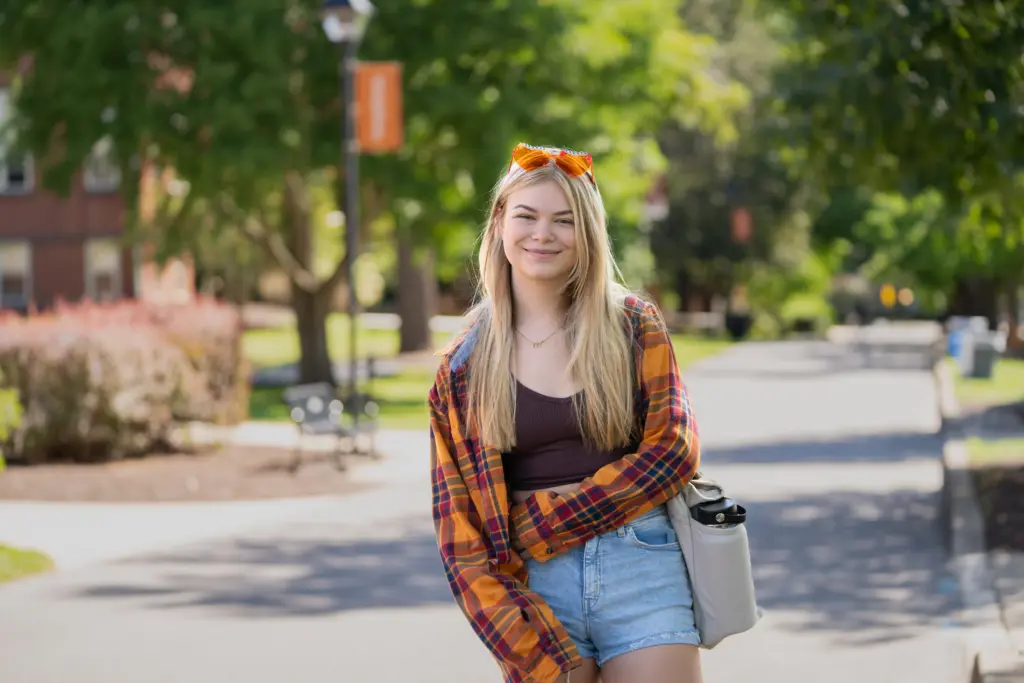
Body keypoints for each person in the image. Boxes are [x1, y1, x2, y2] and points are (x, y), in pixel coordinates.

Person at [429, 142, 703, 683]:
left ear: (588, 234)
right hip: (534, 588)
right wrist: (514, 626)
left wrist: (542, 523)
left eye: (564, 220)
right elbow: (459, 535)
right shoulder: (461, 368)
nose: (542, 234)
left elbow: (675, 448)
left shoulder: (632, 324)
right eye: (527, 216)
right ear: (500, 223)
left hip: (641, 564)